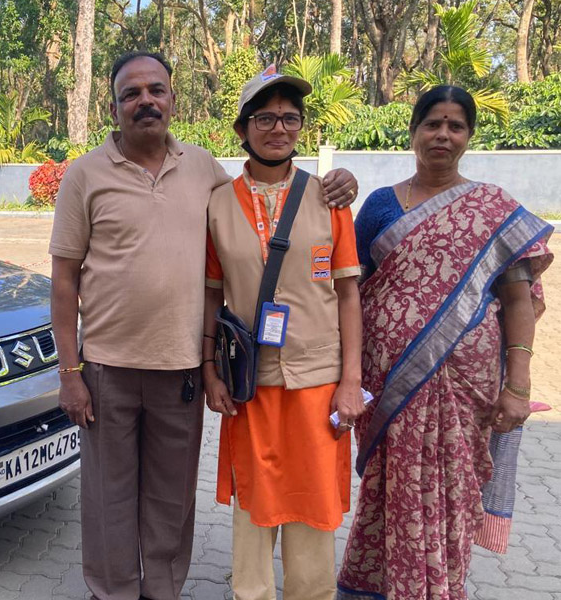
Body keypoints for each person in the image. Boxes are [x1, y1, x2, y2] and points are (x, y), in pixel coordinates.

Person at [49, 52, 359, 600]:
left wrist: (341, 182)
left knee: (171, 499)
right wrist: (69, 373)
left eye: (156, 90)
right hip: (107, 369)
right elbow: (63, 280)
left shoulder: (203, 171)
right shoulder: (85, 174)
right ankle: (113, 592)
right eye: (130, 93)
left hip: (183, 370)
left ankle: (163, 591)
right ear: (114, 107)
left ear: (173, 99)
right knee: (107, 497)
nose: (145, 101)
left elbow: (266, 201)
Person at [336, 85, 554, 600]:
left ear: (469, 136)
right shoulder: (380, 206)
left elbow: (519, 301)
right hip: (389, 383)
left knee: (452, 493)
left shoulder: (492, 209)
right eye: (433, 124)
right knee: (390, 487)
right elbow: (349, 290)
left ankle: (437, 588)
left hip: (465, 386)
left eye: (456, 126)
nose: (443, 135)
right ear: (413, 132)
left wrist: (518, 384)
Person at [200, 66, 365, 600]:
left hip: (317, 381)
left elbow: (349, 294)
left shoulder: (329, 199)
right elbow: (211, 296)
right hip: (249, 383)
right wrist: (209, 372)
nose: (279, 128)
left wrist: (351, 381)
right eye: (265, 118)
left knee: (314, 504)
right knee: (254, 502)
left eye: (290, 118)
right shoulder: (218, 204)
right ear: (242, 129)